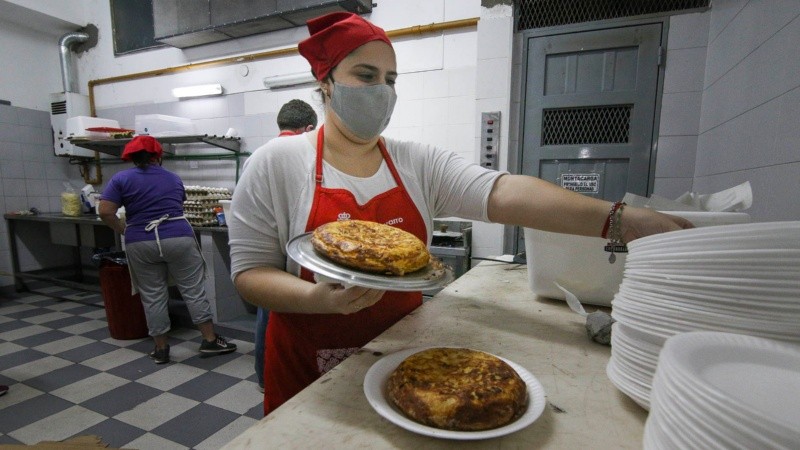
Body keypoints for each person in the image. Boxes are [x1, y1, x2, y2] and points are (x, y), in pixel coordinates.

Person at [227, 12, 694, 415]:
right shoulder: (277, 162)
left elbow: (504, 192)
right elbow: (249, 273)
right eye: (365, 76)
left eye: (390, 80)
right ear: (325, 83)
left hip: (404, 358)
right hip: (309, 366)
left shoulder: (416, 162)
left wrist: (622, 218)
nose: (382, 91)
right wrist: (316, 300)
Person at [99, 136, 237, 365]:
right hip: (177, 237)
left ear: (131, 157)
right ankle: (210, 340)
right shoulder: (173, 178)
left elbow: (105, 211)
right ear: (158, 156)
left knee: (153, 296)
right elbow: (178, 203)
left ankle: (161, 349)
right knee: (193, 289)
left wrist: (123, 229)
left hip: (140, 240)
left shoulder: (120, 178)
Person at [254, 99, 318, 393]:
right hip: (298, 248)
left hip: (267, 247)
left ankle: (264, 376)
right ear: (308, 128)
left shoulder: (257, 155)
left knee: (268, 311)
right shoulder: (308, 155)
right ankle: (296, 377)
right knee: (293, 311)